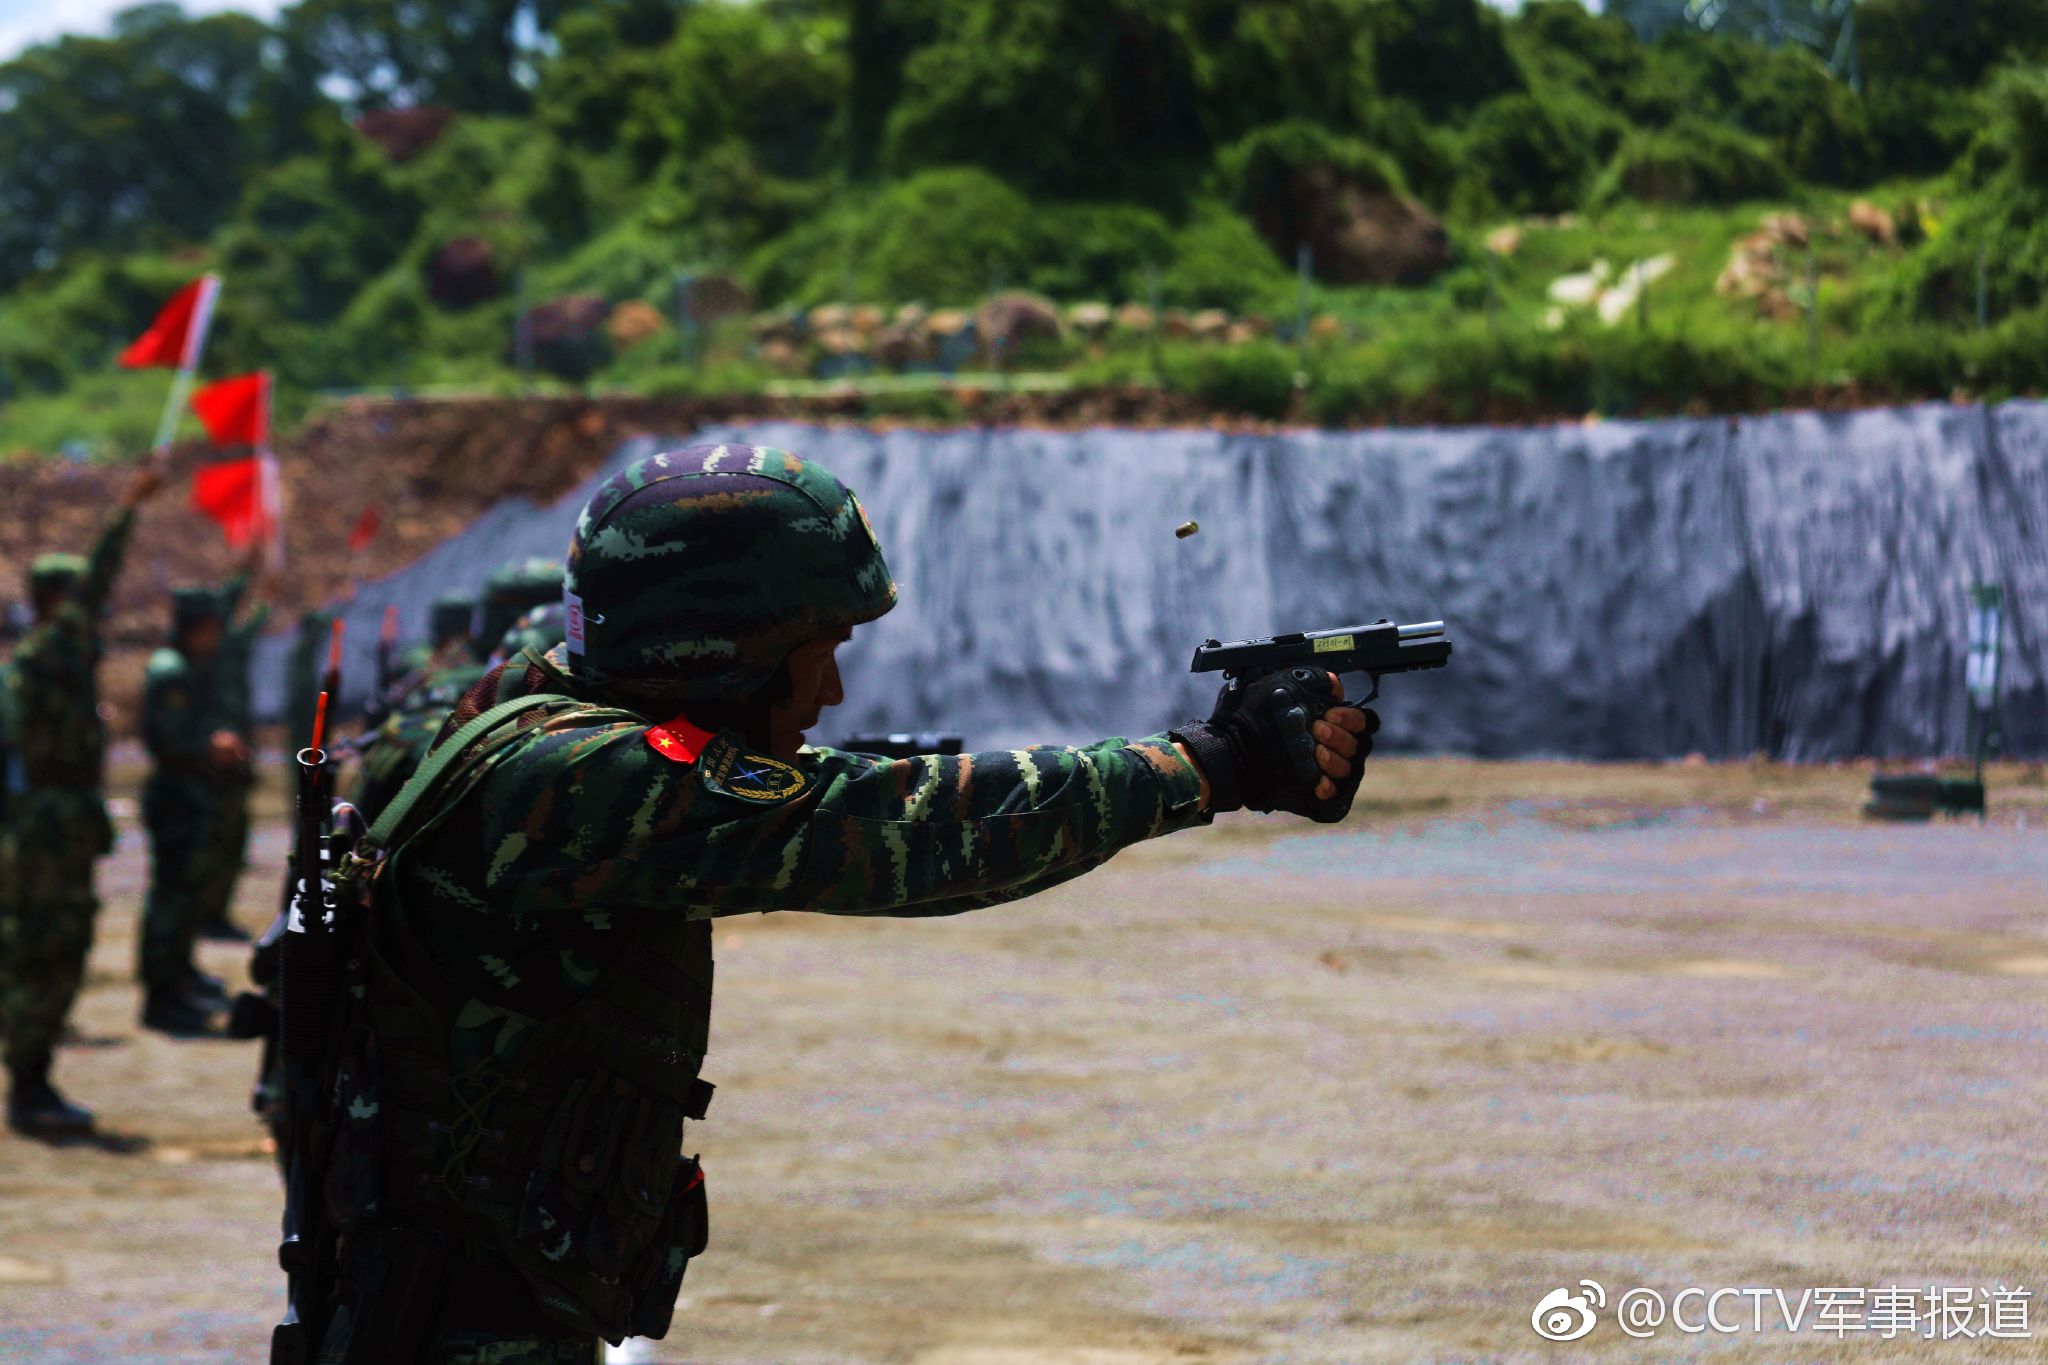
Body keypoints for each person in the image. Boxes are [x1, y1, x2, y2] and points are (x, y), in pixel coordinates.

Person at [306, 445, 1375, 1362]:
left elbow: (831, 802)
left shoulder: (544, 725)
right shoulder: (574, 783)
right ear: (719, 648)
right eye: (818, 654)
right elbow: (904, 833)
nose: (831, 692)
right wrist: (1212, 764)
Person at [4, 465, 163, 1131]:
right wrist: (126, 508)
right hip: (47, 826)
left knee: (54, 948)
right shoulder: (50, 647)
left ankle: (33, 1075)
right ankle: (31, 1083)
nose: (96, 617)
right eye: (82, 605)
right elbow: (95, 584)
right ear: (55, 603)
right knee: (47, 947)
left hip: (54, 822)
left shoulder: (52, 655)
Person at [137, 583, 251, 1034]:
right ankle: (161, 997)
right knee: (169, 901)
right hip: (175, 797)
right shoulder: (171, 671)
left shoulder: (191, 665)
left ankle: (178, 979)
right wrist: (210, 748)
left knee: (184, 898)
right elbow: (165, 739)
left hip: (191, 795)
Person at [195, 554, 270, 944]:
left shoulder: (231, 648)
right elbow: (228, 604)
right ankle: (206, 914)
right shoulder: (210, 654)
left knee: (233, 840)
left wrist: (266, 599)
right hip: (216, 762)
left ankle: (217, 912)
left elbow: (250, 628)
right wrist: (249, 566)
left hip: (237, 756)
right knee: (215, 842)